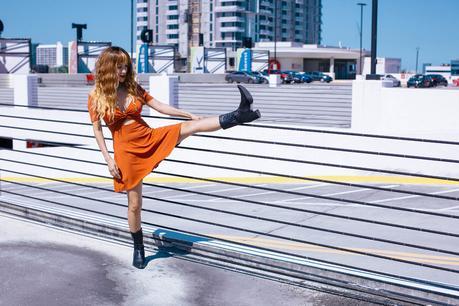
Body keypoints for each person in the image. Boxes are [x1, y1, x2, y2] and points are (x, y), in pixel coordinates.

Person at [88, 46, 260, 269]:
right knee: (134, 205)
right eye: (119, 67)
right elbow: (98, 131)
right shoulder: (95, 97)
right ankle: (138, 247)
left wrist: (186, 113)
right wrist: (109, 161)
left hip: (148, 137)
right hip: (126, 152)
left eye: (125, 66)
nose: (123, 71)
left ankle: (239, 115)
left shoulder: (133, 88)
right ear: (108, 68)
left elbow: (159, 106)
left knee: (190, 126)